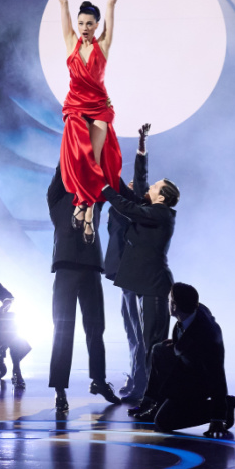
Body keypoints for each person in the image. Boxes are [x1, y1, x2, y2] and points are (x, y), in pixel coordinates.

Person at [27, 0, 146, 242]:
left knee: (94, 163)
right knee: (80, 159)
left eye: (89, 24)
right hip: (76, 108)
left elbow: (111, 4)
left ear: (97, 25)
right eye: (80, 23)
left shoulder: (103, 45)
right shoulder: (71, 42)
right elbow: (64, 2)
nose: (83, 28)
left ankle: (87, 210)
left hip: (99, 109)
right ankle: (85, 210)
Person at [100, 162, 179, 402]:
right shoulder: (151, 209)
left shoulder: (161, 213)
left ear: (163, 197)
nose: (150, 187)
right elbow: (130, 195)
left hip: (154, 284)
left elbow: (129, 207)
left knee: (154, 344)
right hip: (142, 282)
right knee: (147, 343)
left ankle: (155, 395)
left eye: (156, 187)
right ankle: (149, 393)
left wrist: (105, 188)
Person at [47, 163, 120, 412]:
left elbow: (105, 176)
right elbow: (62, 167)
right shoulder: (58, 199)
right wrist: (71, 144)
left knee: (96, 327)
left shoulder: (95, 200)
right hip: (66, 268)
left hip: (90, 268)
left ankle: (98, 380)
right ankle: (59, 390)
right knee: (63, 330)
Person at [129, 283, 235, 435]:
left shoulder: (207, 337)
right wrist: (180, 342)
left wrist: (217, 417)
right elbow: (191, 332)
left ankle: (226, 407)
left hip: (198, 382)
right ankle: (153, 402)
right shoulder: (194, 311)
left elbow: (217, 375)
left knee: (163, 422)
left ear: (174, 306)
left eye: (169, 300)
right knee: (159, 350)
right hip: (186, 366)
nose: (167, 302)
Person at [106, 124, 151, 398]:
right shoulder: (117, 206)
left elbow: (140, 178)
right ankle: (136, 377)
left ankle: (140, 383)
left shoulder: (138, 206)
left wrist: (141, 147)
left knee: (138, 330)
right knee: (130, 330)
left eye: (136, 186)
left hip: (135, 274)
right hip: (122, 276)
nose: (131, 185)